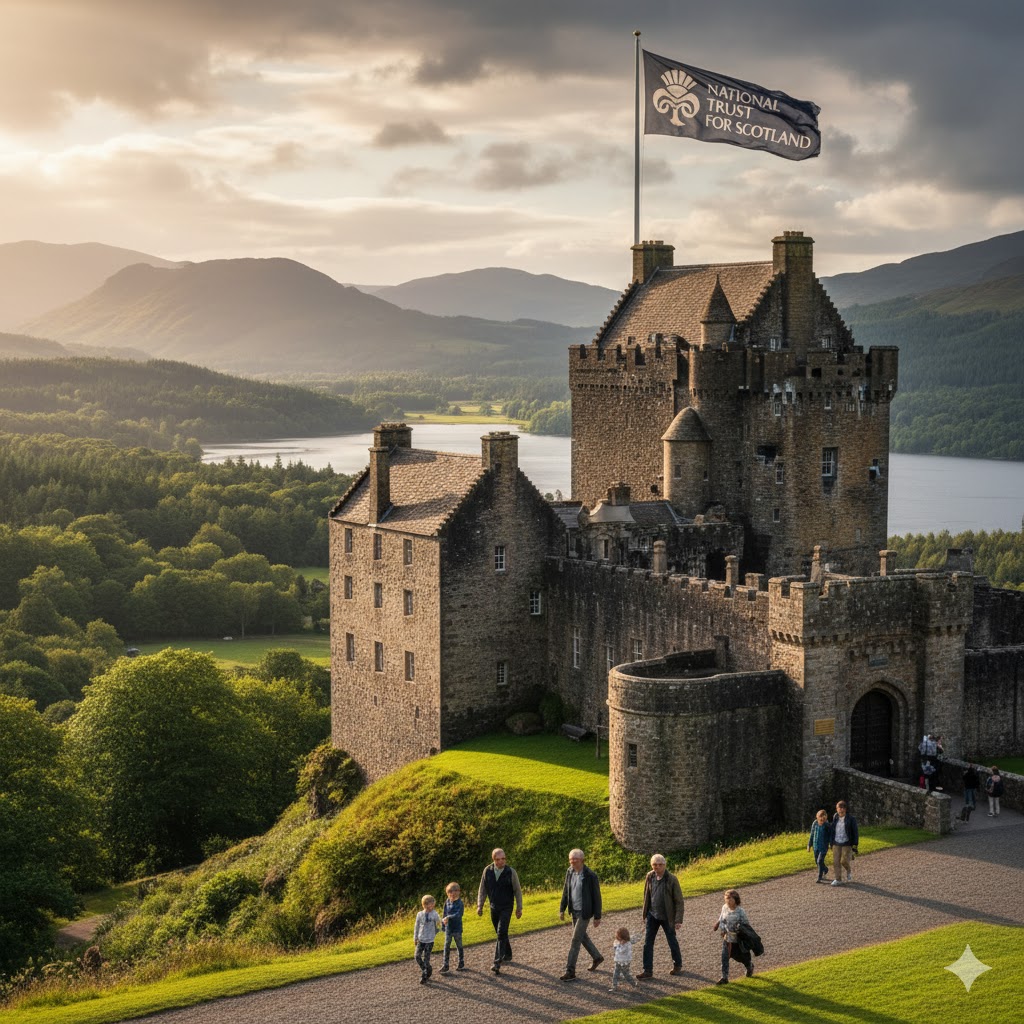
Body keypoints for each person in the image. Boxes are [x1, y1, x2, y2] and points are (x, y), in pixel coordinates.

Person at [558, 848, 603, 981]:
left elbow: (597, 896)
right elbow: (566, 891)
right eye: (570, 859)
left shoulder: (590, 875)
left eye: (575, 859)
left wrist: (597, 916)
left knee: (575, 940)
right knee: (582, 937)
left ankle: (570, 971)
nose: (572, 861)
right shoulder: (569, 871)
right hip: (574, 911)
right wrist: (562, 908)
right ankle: (597, 957)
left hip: (585, 912)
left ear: (582, 860)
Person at [636, 853, 684, 979]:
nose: (657, 867)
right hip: (652, 914)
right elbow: (646, 895)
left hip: (667, 916)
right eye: (654, 865)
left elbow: (679, 901)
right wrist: (645, 913)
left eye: (660, 864)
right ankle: (647, 971)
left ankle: (677, 964)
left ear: (665, 865)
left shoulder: (672, 879)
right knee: (647, 943)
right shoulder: (650, 876)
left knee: (671, 941)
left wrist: (678, 919)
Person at [476, 847, 523, 975]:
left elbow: (517, 891)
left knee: (501, 932)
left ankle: (497, 962)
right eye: (498, 859)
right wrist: (480, 905)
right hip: (493, 907)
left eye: (503, 859)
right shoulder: (487, 871)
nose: (502, 861)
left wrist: (519, 908)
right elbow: (482, 889)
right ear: (494, 860)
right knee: (500, 932)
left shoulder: (511, 872)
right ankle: (507, 954)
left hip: (507, 907)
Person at [713, 888, 753, 983]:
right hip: (727, 938)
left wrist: (739, 930)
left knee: (741, 957)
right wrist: (719, 925)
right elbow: (722, 918)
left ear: (736, 899)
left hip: (738, 940)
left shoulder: (740, 911)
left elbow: (746, 924)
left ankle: (749, 966)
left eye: (730, 899)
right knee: (724, 957)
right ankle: (724, 977)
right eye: (727, 898)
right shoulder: (724, 907)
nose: (728, 901)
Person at [413, 895, 443, 984]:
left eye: (433, 904)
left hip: (429, 940)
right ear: (424, 905)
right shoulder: (419, 914)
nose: (431, 906)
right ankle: (427, 969)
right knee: (417, 956)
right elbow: (416, 926)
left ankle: (424, 976)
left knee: (426, 959)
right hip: (421, 939)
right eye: (430, 904)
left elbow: (439, 923)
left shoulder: (434, 914)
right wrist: (415, 937)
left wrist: (441, 926)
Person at [830, 800, 859, 886]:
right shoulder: (835, 817)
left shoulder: (851, 819)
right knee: (836, 862)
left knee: (843, 861)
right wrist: (831, 842)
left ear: (845, 809)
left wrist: (855, 845)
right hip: (836, 842)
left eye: (842, 808)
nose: (841, 810)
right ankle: (838, 879)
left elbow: (855, 832)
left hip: (846, 842)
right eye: (839, 808)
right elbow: (832, 830)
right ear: (837, 809)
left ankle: (848, 870)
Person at [440, 881, 465, 973]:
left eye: (455, 891)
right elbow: (444, 913)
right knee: (446, 946)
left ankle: (461, 962)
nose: (452, 894)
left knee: (459, 946)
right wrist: (443, 925)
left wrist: (448, 918)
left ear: (459, 892)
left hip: (457, 928)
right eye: (450, 892)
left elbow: (459, 914)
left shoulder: (460, 903)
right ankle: (445, 965)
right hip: (448, 929)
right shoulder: (447, 902)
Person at [609, 925, 639, 992]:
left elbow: (620, 950)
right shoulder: (619, 942)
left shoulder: (626, 945)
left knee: (626, 975)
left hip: (625, 963)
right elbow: (615, 944)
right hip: (618, 961)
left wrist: (619, 945)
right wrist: (618, 944)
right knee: (615, 974)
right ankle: (614, 986)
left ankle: (633, 984)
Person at [807, 809, 832, 883]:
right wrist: (809, 845)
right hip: (816, 846)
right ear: (817, 817)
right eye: (820, 817)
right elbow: (812, 834)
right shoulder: (815, 823)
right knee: (817, 861)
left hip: (823, 847)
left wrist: (831, 844)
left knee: (820, 860)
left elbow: (830, 836)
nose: (822, 818)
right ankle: (825, 869)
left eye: (824, 817)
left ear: (826, 817)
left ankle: (820, 877)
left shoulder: (827, 825)